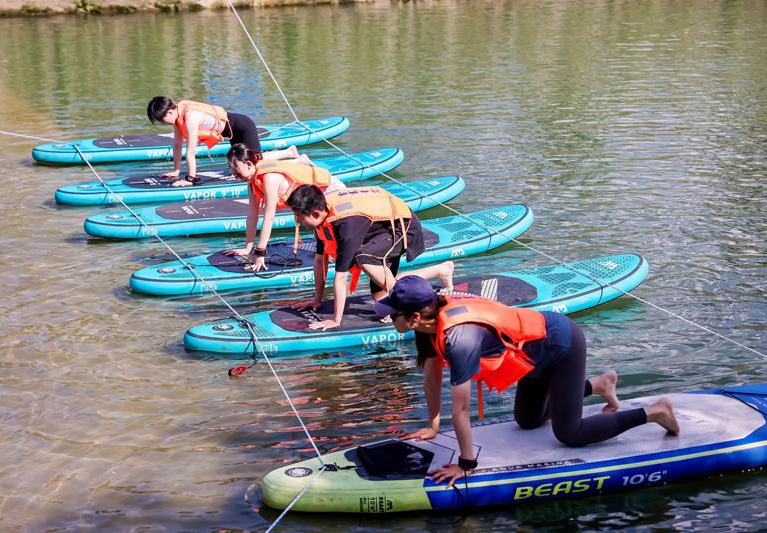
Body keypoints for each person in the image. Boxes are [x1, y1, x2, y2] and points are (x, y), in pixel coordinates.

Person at [374, 275, 681, 488]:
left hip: (560, 344)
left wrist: (466, 464)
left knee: (570, 433)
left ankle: (655, 412)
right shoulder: (429, 323)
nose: (389, 317)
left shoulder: (458, 337)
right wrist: (432, 425)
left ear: (414, 316)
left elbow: (462, 409)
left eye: (393, 313)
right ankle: (598, 385)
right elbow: (431, 374)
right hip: (534, 356)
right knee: (527, 420)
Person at [285, 184, 455, 330]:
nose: (297, 222)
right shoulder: (323, 218)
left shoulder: (345, 226)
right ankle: (441, 270)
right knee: (379, 296)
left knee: (363, 258)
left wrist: (336, 320)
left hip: (403, 228)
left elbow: (341, 276)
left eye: (299, 217)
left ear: (315, 214)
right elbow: (319, 260)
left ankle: (401, 305)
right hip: (382, 231)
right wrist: (317, 299)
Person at [221, 143, 346, 272]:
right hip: (312, 198)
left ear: (248, 165)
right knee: (320, 241)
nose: (231, 171)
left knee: (328, 243)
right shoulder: (252, 182)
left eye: (234, 166)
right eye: (229, 167)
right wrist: (248, 248)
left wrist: (260, 253)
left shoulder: (270, 179)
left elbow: (269, 218)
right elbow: (253, 217)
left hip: (331, 190)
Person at [146, 96, 309, 187]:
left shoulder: (189, 117)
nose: (162, 123)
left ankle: (297, 158)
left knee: (255, 164)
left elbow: (190, 151)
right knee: (241, 170)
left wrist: (190, 178)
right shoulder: (178, 118)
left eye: (161, 120)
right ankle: (289, 152)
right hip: (232, 133)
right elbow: (177, 145)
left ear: (169, 112)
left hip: (243, 127)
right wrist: (175, 171)